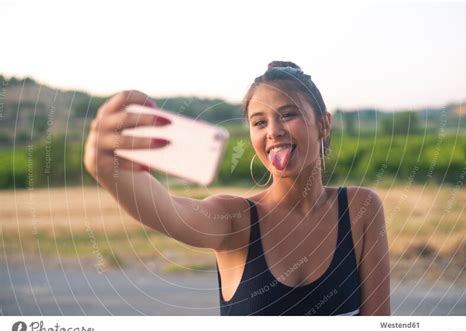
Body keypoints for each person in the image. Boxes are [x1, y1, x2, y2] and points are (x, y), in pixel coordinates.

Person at [83, 61, 391, 316]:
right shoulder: (236, 219)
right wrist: (111, 172)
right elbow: (171, 213)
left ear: (324, 124)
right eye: (259, 122)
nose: (274, 131)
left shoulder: (360, 209)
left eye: (288, 114)